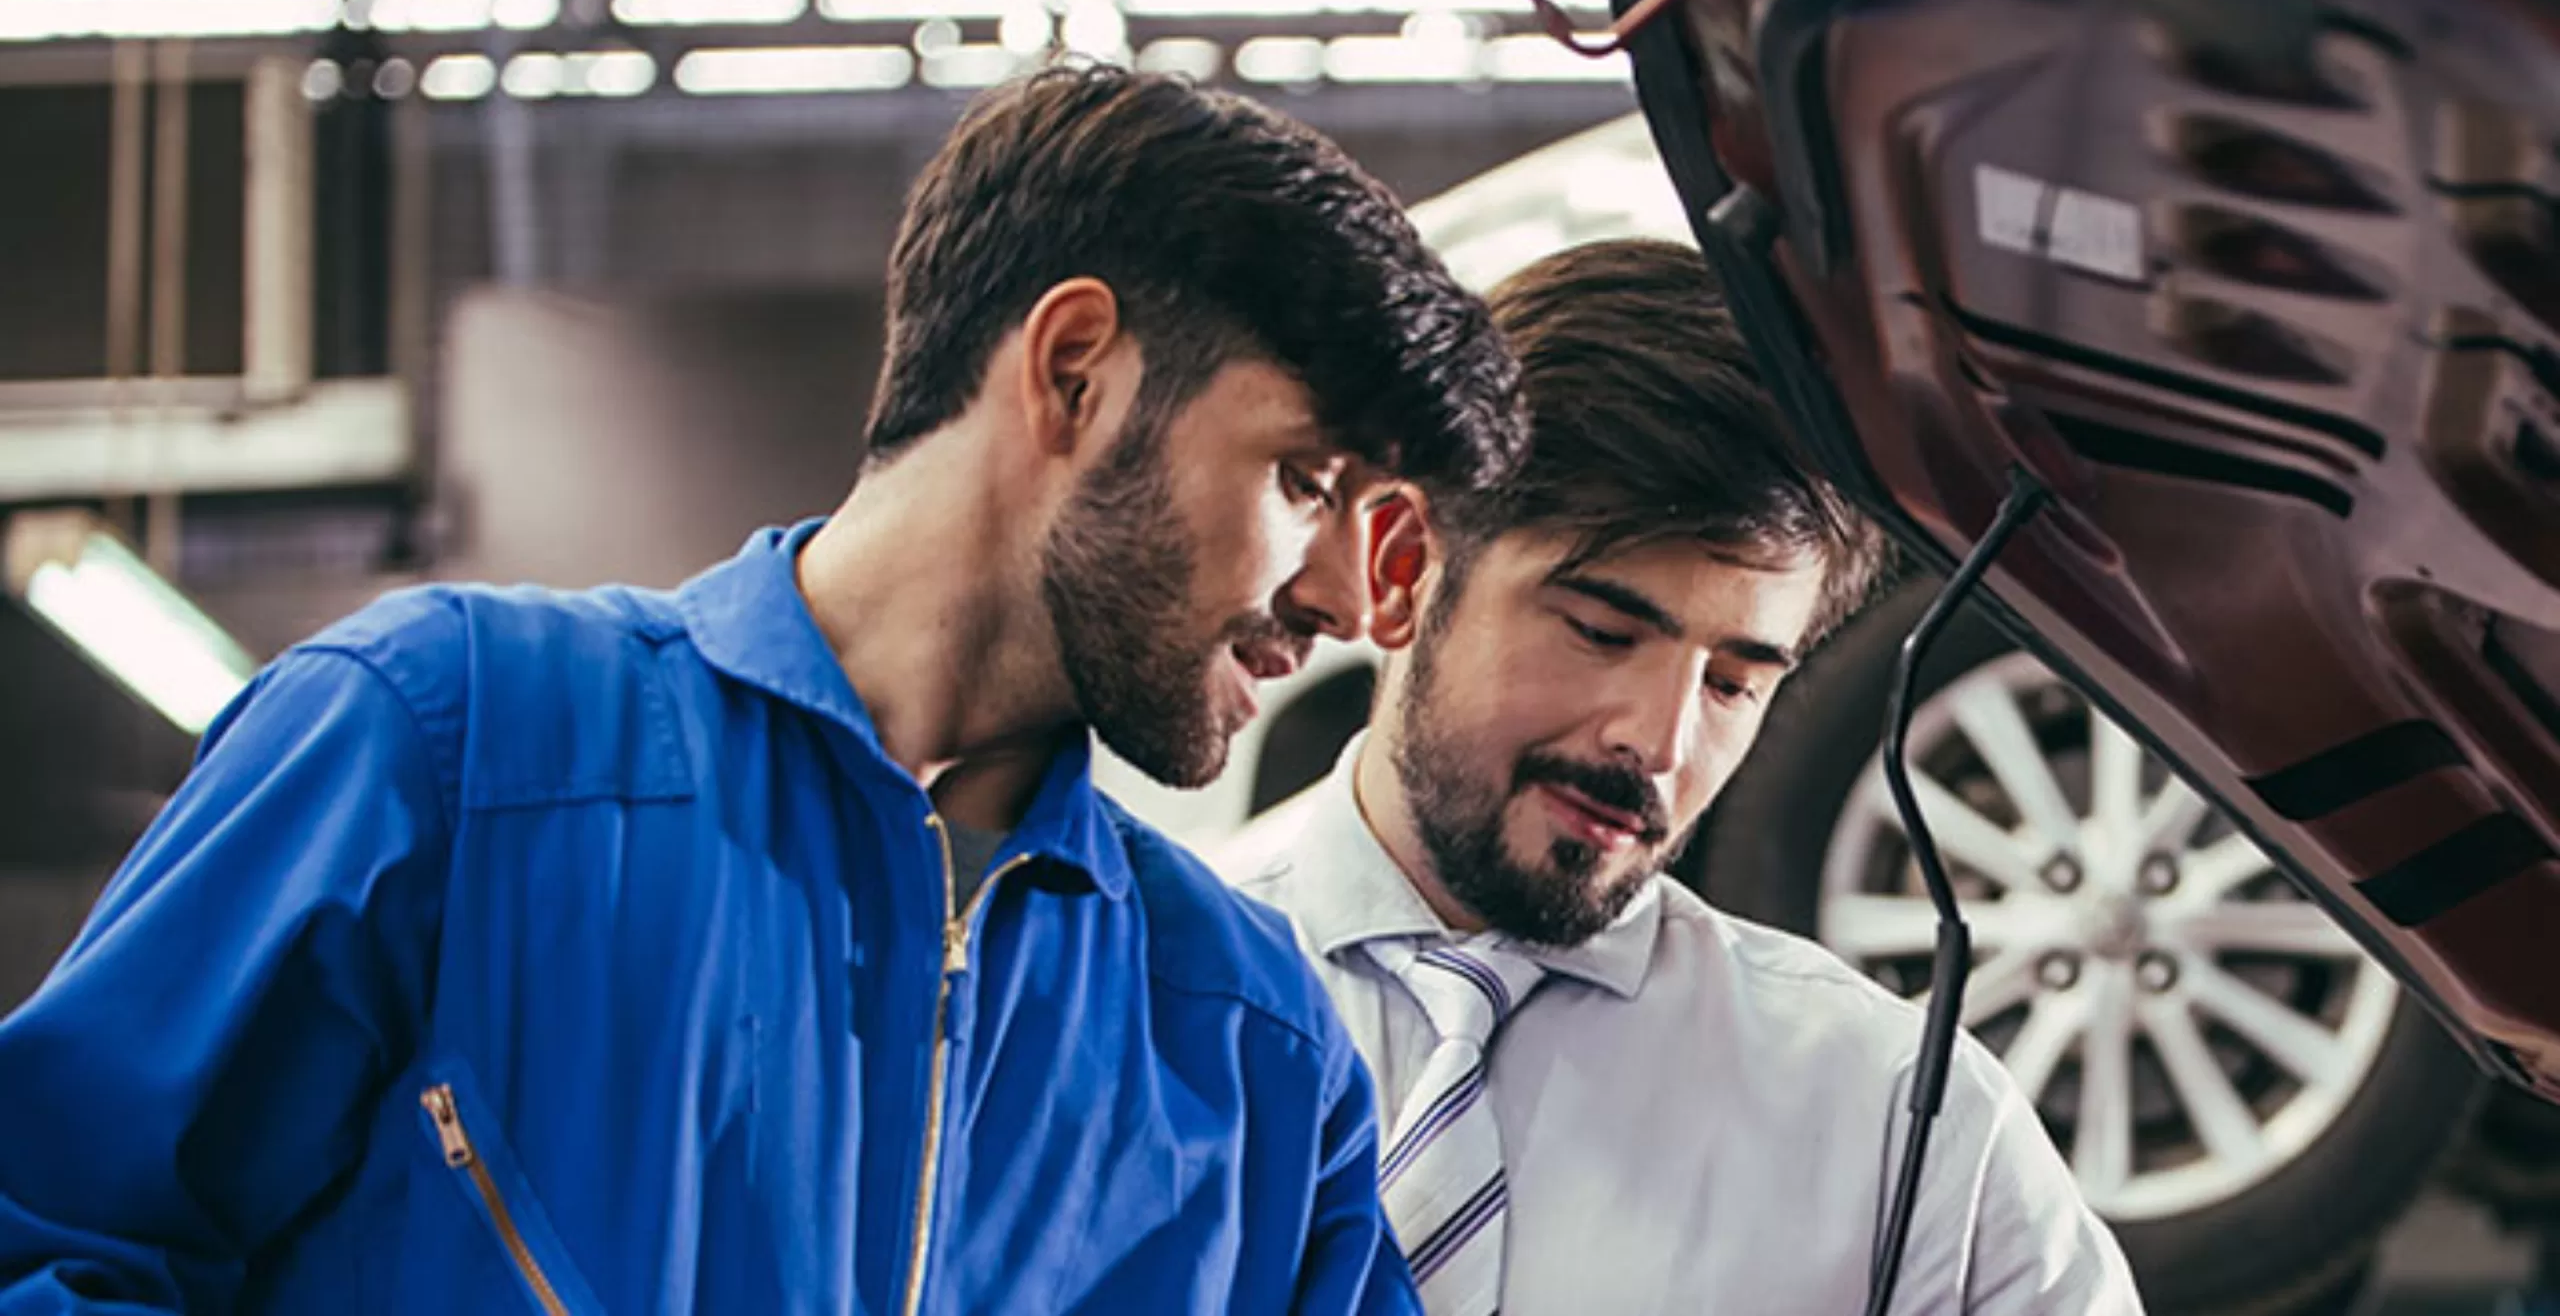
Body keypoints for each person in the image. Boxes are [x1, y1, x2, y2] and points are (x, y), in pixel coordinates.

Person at [0, 65, 1525, 1315]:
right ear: (1074, 370)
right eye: (1306, 480)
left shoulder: (1247, 1044)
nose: (1337, 599)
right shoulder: (450, 749)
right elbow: (48, 1246)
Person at [1219, 238, 2143, 1314]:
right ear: (1401, 567)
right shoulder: (1104, 1016)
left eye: (1732, 683)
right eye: (1604, 632)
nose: (1657, 744)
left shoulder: (1901, 1128)